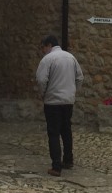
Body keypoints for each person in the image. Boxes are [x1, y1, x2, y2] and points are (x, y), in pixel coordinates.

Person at [36, 34, 84, 176]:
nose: (42, 50)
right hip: (68, 101)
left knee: (53, 132)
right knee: (66, 130)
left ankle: (56, 166)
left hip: (53, 101)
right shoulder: (71, 57)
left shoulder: (48, 59)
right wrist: (72, 92)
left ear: (49, 45)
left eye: (43, 47)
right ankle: (68, 160)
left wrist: (44, 94)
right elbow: (80, 77)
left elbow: (41, 80)